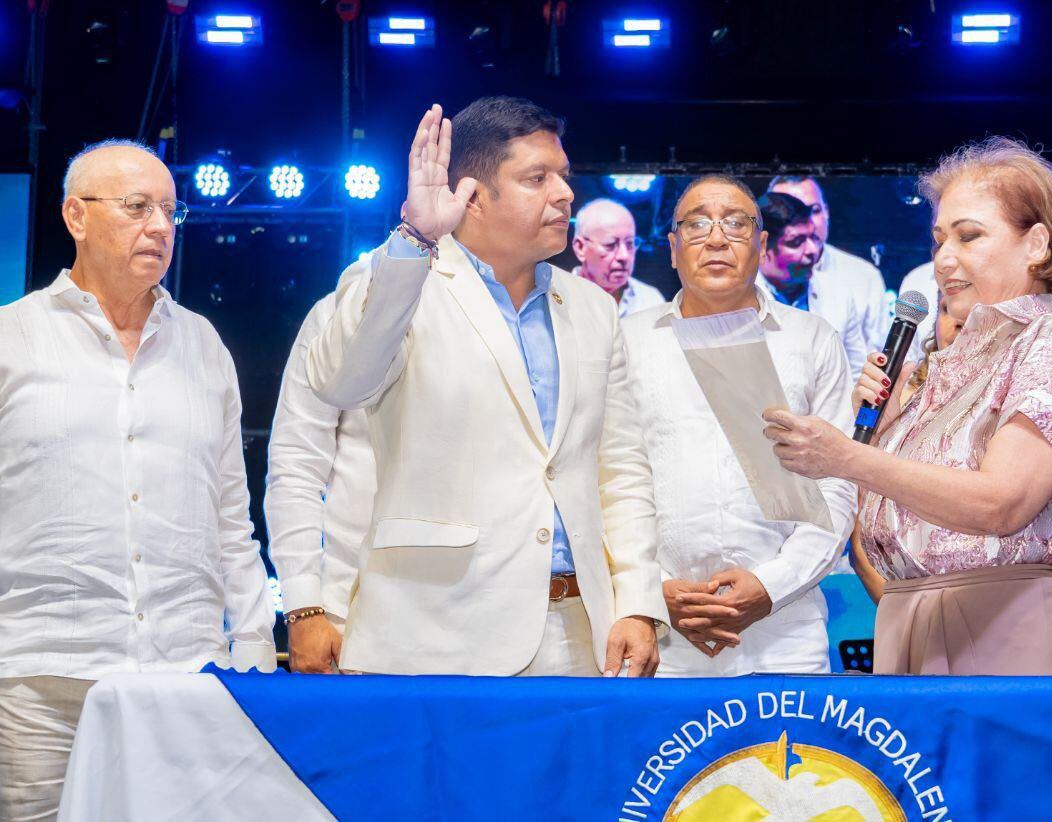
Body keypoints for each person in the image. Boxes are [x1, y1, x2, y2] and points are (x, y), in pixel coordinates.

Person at [307, 98, 666, 677]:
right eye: (537, 178)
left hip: (581, 634)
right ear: (472, 196)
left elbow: (622, 468)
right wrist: (414, 240)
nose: (565, 194)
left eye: (564, 176)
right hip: (434, 631)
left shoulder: (592, 307)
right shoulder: (401, 277)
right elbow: (341, 381)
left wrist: (638, 603)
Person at [764, 137, 1052, 675]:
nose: (943, 260)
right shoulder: (947, 363)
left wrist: (850, 457)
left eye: (969, 236)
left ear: (1037, 244)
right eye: (938, 240)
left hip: (1006, 626)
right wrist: (878, 427)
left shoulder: (1049, 348)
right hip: (910, 618)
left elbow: (1002, 503)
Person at [0, 140, 276, 820]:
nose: (159, 227)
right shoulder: (12, 338)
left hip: (188, 675)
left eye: (169, 211)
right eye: (136, 207)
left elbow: (231, 519)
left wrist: (255, 652)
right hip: (43, 679)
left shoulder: (204, 344)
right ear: (76, 216)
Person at [621, 175, 857, 675]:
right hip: (663, 632)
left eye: (735, 224)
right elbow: (609, 480)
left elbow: (838, 484)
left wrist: (771, 586)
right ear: (672, 249)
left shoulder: (811, 340)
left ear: (762, 244)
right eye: (697, 224)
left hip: (786, 631)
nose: (716, 239)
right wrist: (653, 591)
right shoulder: (627, 342)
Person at [851, 293, 1052, 605]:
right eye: (946, 309)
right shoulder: (903, 409)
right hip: (912, 615)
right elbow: (864, 543)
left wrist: (1037, 616)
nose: (958, 320)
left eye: (976, 310)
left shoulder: (1034, 392)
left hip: (1018, 616)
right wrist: (880, 438)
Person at [265, 288, 375, 673]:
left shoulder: (528, 314)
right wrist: (304, 609)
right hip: (354, 618)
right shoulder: (344, 307)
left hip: (493, 618)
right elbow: (297, 465)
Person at [767, 175, 889, 377]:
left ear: (826, 212)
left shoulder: (856, 280)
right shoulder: (739, 288)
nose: (803, 220)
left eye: (812, 210)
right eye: (785, 211)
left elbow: (862, 368)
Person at [571, 198, 664, 316]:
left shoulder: (651, 300)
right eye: (610, 245)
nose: (624, 256)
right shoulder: (559, 298)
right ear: (580, 248)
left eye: (630, 244)